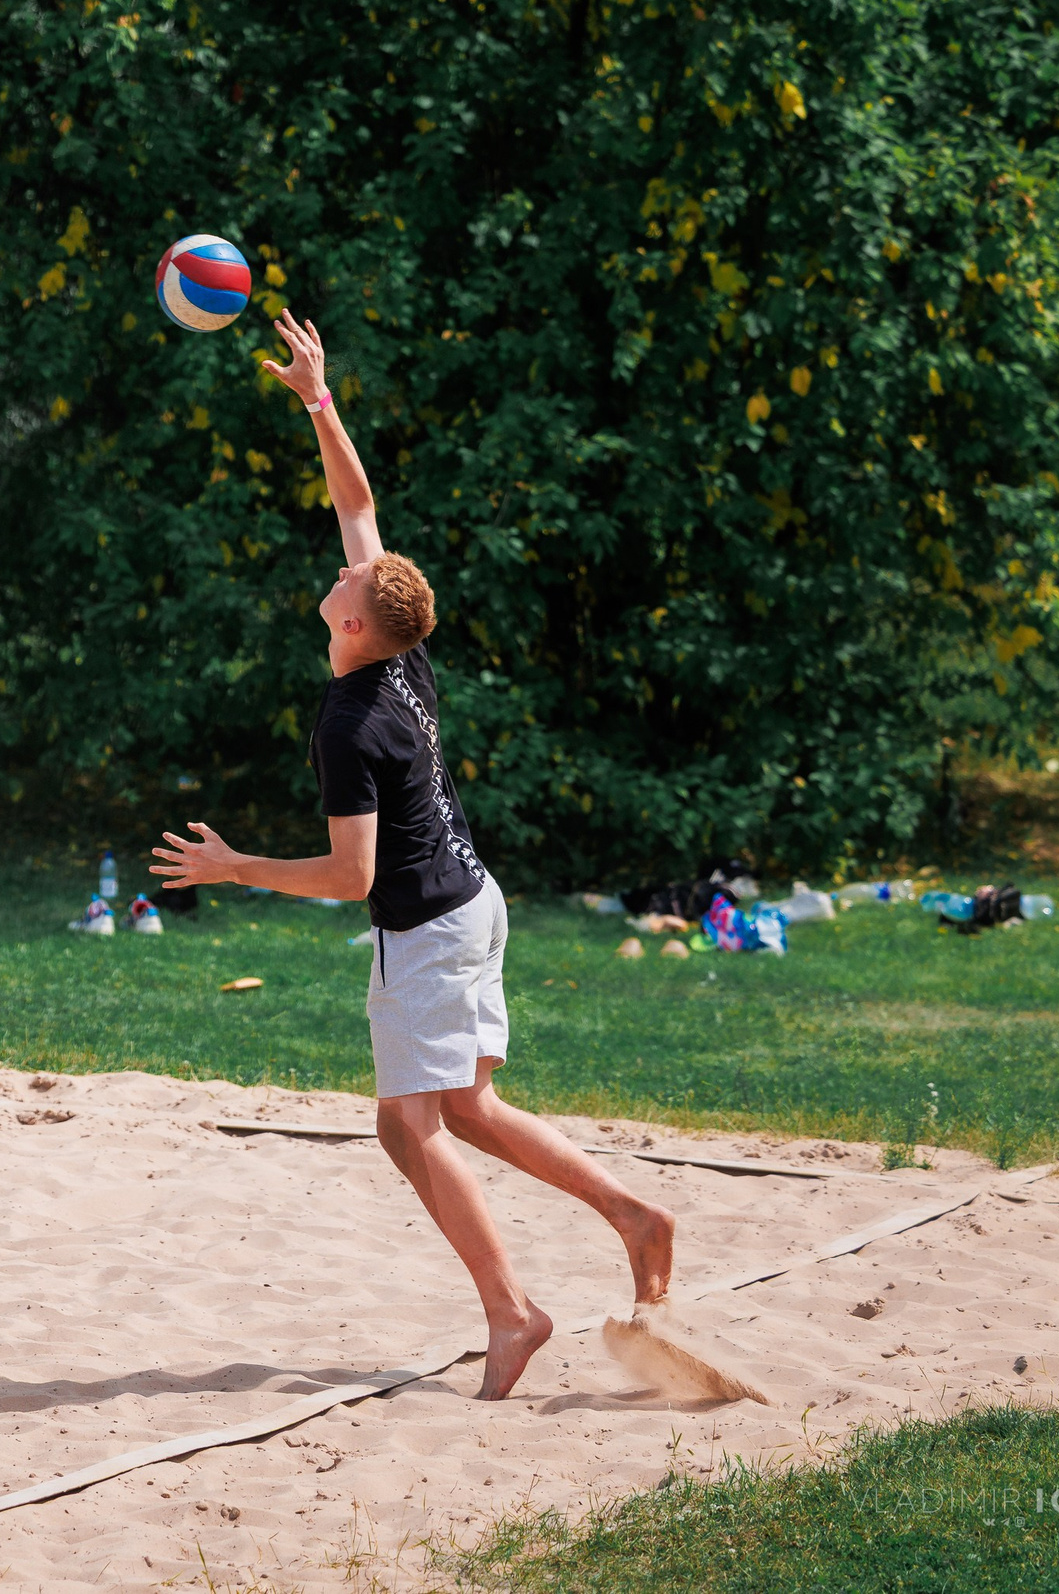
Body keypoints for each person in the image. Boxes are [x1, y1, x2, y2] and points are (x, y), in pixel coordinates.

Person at [150, 313, 677, 1402]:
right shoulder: (401, 655)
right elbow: (357, 507)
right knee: (468, 1112)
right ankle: (631, 1212)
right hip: (473, 901)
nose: (341, 575)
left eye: (348, 583)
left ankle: (512, 1312)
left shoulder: (350, 721)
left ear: (355, 621)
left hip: (430, 926)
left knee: (407, 1125)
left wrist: (236, 865)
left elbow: (349, 877)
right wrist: (317, 401)